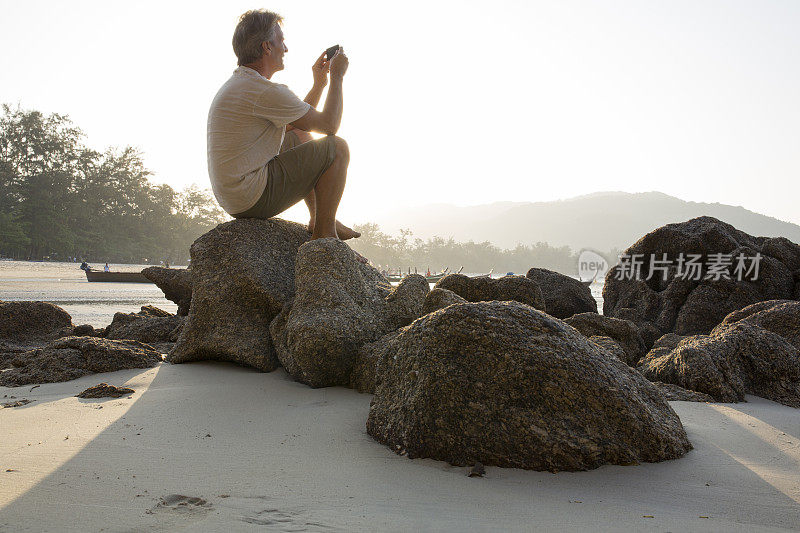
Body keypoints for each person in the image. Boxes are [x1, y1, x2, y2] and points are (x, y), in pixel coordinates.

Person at [207, 9, 360, 243]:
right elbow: (329, 125)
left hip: (235, 197)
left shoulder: (243, 84)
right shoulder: (263, 90)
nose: (285, 49)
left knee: (297, 134)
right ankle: (325, 235)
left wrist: (319, 85)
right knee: (337, 147)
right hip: (251, 197)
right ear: (267, 46)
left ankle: (318, 218)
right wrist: (337, 78)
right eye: (281, 42)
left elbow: (298, 122)